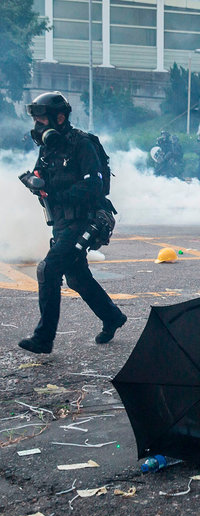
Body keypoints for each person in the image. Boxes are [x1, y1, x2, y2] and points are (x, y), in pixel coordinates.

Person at [18, 91, 126, 354]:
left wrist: (55, 192)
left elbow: (94, 187)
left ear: (60, 117)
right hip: (62, 223)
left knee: (48, 269)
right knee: (77, 278)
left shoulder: (82, 144)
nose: (38, 125)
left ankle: (44, 339)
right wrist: (35, 183)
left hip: (84, 220)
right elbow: (39, 173)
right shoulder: (48, 147)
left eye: (42, 119)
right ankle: (112, 317)